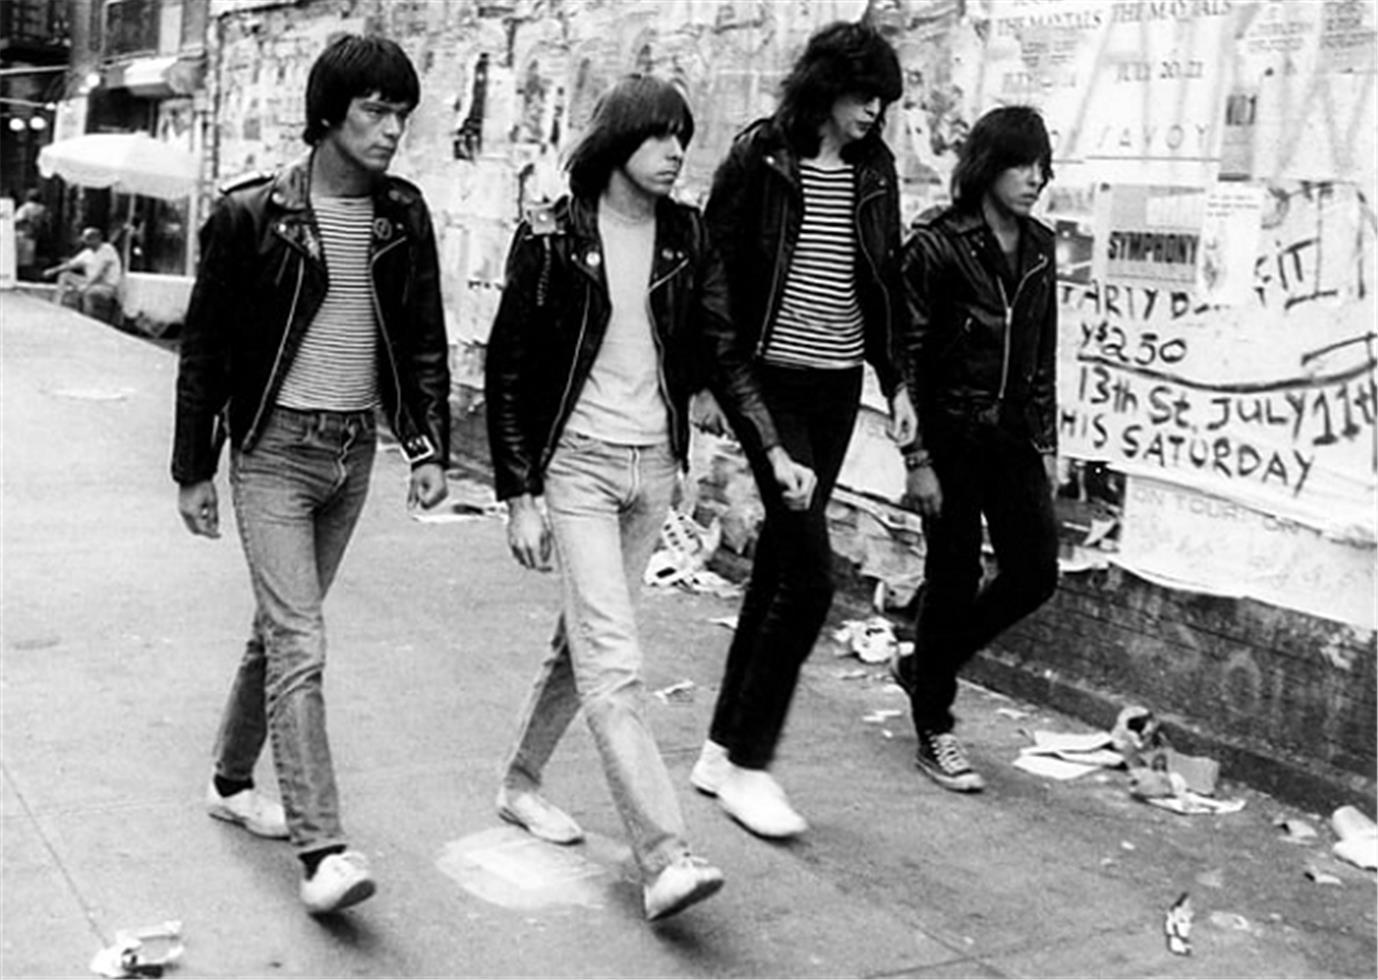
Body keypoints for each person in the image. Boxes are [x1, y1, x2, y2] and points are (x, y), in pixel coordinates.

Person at [485, 74, 815, 922]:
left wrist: (770, 447)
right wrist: (519, 493)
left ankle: (520, 782)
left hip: (651, 471)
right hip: (579, 469)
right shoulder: (554, 234)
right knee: (615, 668)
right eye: (661, 137)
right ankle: (665, 857)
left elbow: (721, 348)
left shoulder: (686, 237)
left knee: (584, 648)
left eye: (683, 138)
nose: (676, 154)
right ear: (620, 139)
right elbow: (509, 370)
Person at [171, 34, 451, 914]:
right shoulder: (252, 215)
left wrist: (428, 443)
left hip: (352, 454)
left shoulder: (403, 214)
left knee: (277, 631)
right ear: (329, 114)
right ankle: (322, 850)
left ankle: (227, 779)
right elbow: (204, 352)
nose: (391, 129)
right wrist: (194, 471)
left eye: (401, 112)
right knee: (301, 641)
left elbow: (423, 342)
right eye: (375, 109)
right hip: (273, 453)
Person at [690, 20, 915, 839]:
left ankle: (721, 752)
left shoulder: (876, 171)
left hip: (834, 387)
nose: (874, 113)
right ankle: (752, 765)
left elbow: (883, 287)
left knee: (780, 570)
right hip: (768, 387)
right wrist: (706, 385)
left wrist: (898, 387)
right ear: (826, 86)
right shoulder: (761, 158)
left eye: (883, 101)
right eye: (864, 96)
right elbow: (711, 276)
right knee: (814, 576)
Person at [892, 105, 1060, 793]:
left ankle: (926, 665)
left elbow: (1044, 353)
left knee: (1035, 571)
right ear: (988, 165)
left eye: (1044, 166)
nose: (1036, 179)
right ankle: (936, 727)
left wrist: (1045, 443)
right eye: (1023, 164)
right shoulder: (935, 244)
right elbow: (903, 358)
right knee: (954, 576)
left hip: (1014, 436)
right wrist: (917, 460)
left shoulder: (1042, 247)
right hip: (951, 437)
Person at [44, 226, 122, 322]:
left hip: (106, 286)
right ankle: (57, 304)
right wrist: (53, 270)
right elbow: (71, 264)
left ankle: (87, 319)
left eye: (91, 239)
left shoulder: (108, 249)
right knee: (65, 275)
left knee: (87, 293)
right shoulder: (87, 253)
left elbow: (102, 272)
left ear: (98, 238)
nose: (88, 242)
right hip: (90, 282)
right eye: (87, 239)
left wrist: (87, 285)